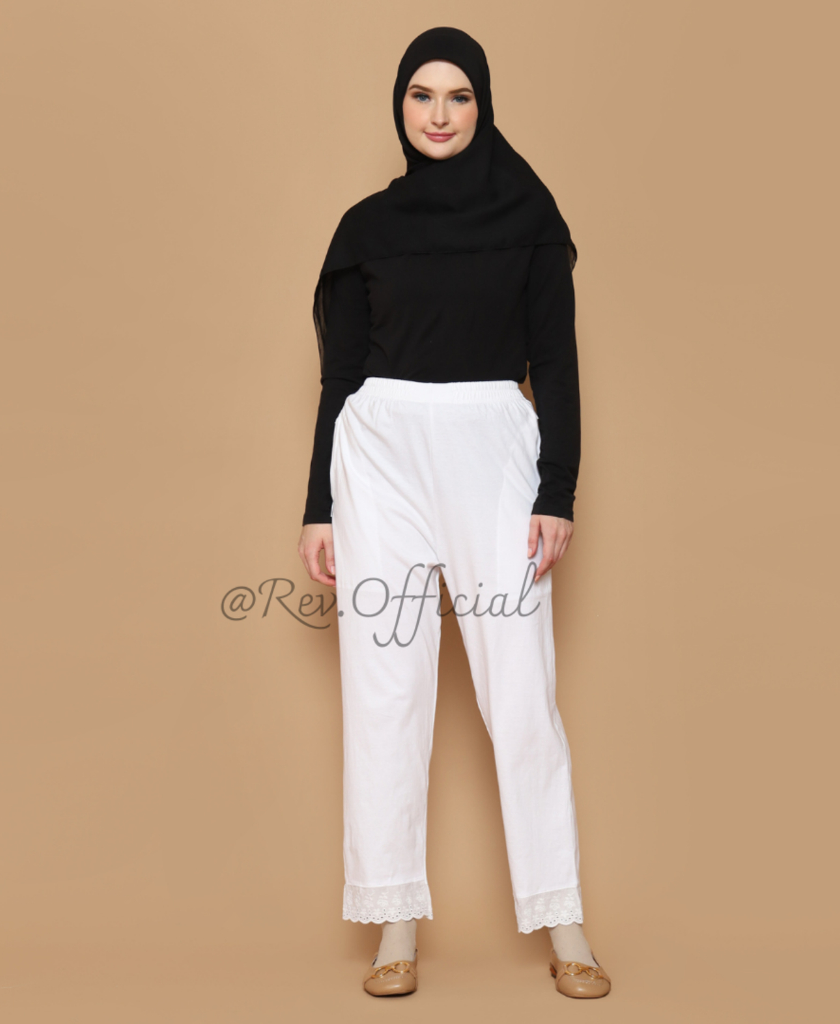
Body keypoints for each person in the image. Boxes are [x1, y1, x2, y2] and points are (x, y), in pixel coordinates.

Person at [296, 26, 609, 1000]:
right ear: (400, 106)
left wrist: (556, 490)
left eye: (458, 95)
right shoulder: (364, 228)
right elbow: (340, 377)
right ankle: (393, 918)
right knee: (383, 687)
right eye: (421, 95)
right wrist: (319, 506)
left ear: (483, 104)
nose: (438, 114)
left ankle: (563, 917)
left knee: (519, 690)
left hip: (492, 450)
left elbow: (555, 362)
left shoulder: (529, 216)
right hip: (379, 454)